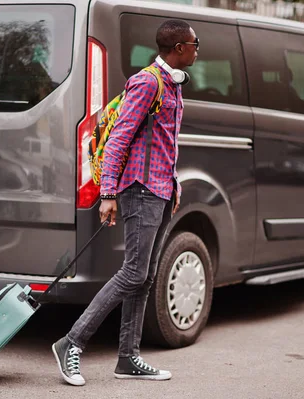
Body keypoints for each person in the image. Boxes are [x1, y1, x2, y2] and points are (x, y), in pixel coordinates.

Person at [52, 19, 198, 386]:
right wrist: (108, 194)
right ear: (179, 48)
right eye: (196, 43)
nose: (199, 48)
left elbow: (162, 142)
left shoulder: (172, 85)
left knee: (145, 277)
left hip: (162, 189)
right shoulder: (148, 82)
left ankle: (128, 357)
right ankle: (71, 341)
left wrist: (173, 183)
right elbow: (118, 138)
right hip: (141, 189)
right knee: (133, 272)